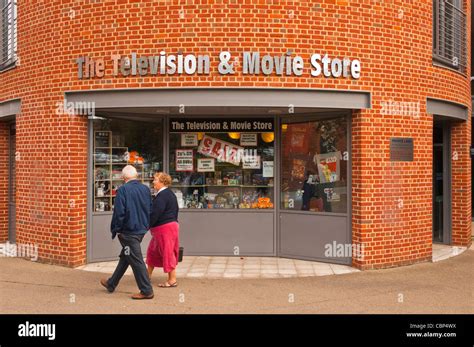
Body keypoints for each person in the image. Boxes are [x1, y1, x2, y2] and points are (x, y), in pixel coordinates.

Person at [100, 165, 154, 300]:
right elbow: (150, 209)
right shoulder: (145, 189)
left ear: (124, 178)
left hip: (129, 231)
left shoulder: (123, 190)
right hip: (141, 229)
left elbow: (119, 213)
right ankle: (111, 283)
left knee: (136, 260)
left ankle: (146, 290)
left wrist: (116, 229)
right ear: (136, 176)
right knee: (127, 255)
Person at [146, 172, 180, 288]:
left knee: (167, 252)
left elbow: (155, 214)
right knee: (152, 251)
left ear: (162, 182)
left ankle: (172, 280)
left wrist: (146, 226)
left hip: (164, 228)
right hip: (167, 227)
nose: (153, 182)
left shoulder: (163, 195)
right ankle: (146, 277)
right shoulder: (168, 194)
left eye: (155, 180)